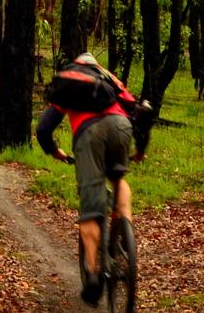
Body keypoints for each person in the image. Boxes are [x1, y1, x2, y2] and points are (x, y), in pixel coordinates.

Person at [36, 52, 152, 306]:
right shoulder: (109, 80)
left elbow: (44, 129)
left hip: (89, 134)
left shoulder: (70, 81)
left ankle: (91, 275)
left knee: (91, 206)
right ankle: (125, 230)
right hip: (121, 126)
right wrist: (141, 149)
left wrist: (55, 152)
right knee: (119, 178)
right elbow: (140, 112)